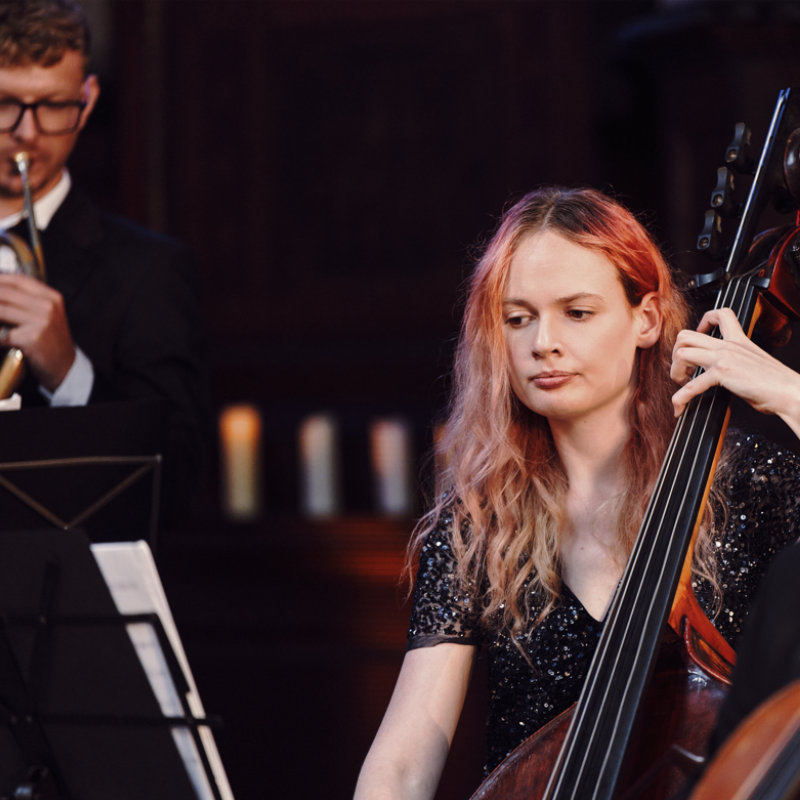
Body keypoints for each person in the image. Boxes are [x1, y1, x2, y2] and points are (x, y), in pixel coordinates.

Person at [353, 187, 800, 799]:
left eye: (577, 312)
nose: (543, 342)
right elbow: (402, 765)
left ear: (645, 318)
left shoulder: (755, 485)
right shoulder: (482, 524)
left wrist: (790, 395)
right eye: (518, 318)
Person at [0, 0, 209, 525]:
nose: (26, 132)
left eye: (52, 105)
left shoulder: (149, 270)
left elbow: (180, 479)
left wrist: (69, 370)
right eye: (4, 103)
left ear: (87, 100)